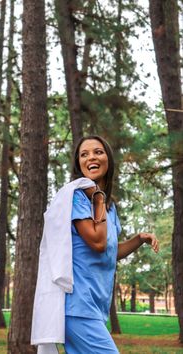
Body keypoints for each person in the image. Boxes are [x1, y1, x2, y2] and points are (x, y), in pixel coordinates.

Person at [64, 135, 159, 354]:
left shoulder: (109, 206)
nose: (91, 157)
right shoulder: (78, 198)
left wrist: (138, 239)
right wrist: (97, 198)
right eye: (84, 154)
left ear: (108, 158)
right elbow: (97, 242)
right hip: (78, 306)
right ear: (78, 164)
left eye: (98, 151)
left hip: (96, 306)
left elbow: (109, 251)